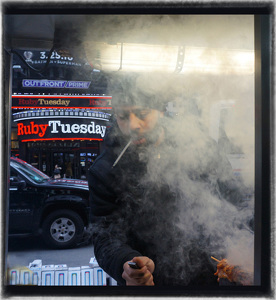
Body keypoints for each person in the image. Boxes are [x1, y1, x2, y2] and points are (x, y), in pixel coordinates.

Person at [88, 74, 254, 286]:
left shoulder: (198, 146)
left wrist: (245, 249)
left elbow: (235, 200)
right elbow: (105, 237)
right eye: (122, 116)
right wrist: (126, 263)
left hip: (206, 277)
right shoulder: (105, 169)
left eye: (142, 114)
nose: (133, 125)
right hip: (149, 284)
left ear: (161, 111)